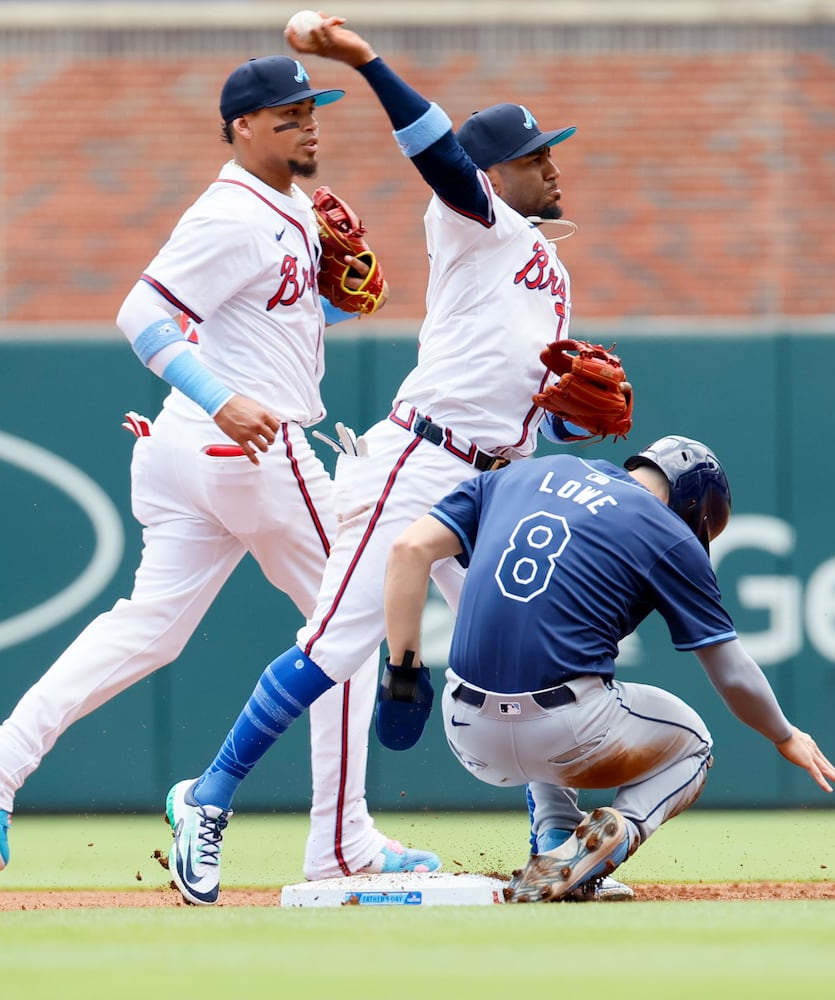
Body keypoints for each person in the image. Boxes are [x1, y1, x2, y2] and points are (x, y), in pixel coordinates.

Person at [0, 53, 430, 884]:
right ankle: (342, 840)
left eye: (313, 109)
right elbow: (141, 313)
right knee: (345, 627)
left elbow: (270, 325)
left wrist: (332, 304)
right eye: (288, 113)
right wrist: (221, 397)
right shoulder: (231, 213)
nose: (309, 121)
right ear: (242, 127)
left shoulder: (293, 205)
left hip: (183, 452)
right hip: (248, 446)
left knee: (150, 627)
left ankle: (1, 757)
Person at [163, 15, 602, 906]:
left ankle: (555, 837)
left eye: (551, 154)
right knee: (333, 649)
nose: (552, 167)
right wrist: (364, 61)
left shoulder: (550, 269)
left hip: (498, 476)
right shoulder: (474, 219)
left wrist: (570, 432)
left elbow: (522, 405)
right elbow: (438, 154)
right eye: (534, 158)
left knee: (528, 656)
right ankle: (206, 803)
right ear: (493, 178)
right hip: (420, 465)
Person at [380, 435, 835, 901]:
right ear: (693, 507)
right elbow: (732, 672)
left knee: (547, 672)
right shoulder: (668, 532)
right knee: (695, 745)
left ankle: (556, 847)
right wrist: (784, 734)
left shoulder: (520, 474)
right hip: (567, 731)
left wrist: (404, 673)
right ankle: (619, 832)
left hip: (467, 733)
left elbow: (408, 550)